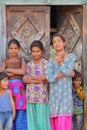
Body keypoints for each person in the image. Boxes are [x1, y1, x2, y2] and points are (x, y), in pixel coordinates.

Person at [46, 33, 76, 130]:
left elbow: (67, 70)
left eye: (59, 41)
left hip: (65, 95)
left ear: (64, 43)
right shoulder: (51, 60)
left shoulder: (71, 57)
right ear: (52, 45)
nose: (57, 43)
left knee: (64, 121)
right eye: (54, 42)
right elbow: (49, 78)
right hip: (54, 96)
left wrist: (61, 62)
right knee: (54, 122)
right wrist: (64, 74)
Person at [23, 40, 51, 130]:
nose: (35, 54)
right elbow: (24, 79)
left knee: (41, 121)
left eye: (38, 51)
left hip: (41, 97)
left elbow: (46, 77)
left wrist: (32, 78)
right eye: (33, 51)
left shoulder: (45, 63)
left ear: (42, 51)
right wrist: (37, 80)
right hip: (30, 97)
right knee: (32, 122)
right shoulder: (29, 64)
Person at [1, 39, 27, 130]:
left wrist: (9, 70)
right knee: (10, 108)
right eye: (11, 48)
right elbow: (2, 74)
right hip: (9, 87)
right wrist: (17, 73)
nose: (13, 50)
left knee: (20, 109)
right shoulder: (5, 60)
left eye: (15, 48)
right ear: (8, 49)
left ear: (19, 49)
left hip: (19, 89)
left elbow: (23, 71)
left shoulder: (22, 59)